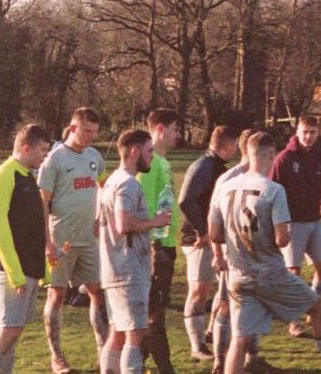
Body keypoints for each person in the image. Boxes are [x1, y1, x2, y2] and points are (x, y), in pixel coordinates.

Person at [209, 132, 321, 374]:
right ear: (272, 155)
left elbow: (215, 234)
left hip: (238, 276)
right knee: (317, 307)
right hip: (270, 273)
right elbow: (282, 239)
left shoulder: (225, 186)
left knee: (240, 338)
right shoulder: (273, 190)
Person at [0, 124, 52, 373]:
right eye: (42, 150)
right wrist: (15, 273)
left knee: (13, 332)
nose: (45, 155)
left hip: (28, 270)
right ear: (26, 148)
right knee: (7, 332)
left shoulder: (28, 175)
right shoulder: (2, 176)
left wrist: (44, 271)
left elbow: (34, 226)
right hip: (10, 272)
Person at [37, 107, 107, 373]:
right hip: (61, 240)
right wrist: (47, 242)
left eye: (95, 132)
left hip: (89, 239)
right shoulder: (54, 159)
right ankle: (57, 358)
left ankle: (105, 354)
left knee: (96, 292)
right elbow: (42, 203)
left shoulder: (94, 157)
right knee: (57, 294)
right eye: (87, 131)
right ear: (74, 127)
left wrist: (100, 218)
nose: (91, 136)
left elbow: (103, 189)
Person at [97, 129, 173, 374]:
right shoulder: (128, 184)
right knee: (135, 334)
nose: (152, 156)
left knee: (117, 333)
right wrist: (155, 222)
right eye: (149, 150)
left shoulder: (110, 181)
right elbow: (124, 225)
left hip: (113, 267)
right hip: (128, 270)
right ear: (134, 152)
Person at [178, 125, 238, 362]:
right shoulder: (203, 166)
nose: (236, 151)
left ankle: (212, 332)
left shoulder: (214, 166)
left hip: (213, 237)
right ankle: (197, 346)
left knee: (221, 289)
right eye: (234, 146)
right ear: (228, 145)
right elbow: (185, 200)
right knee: (199, 290)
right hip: (199, 239)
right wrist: (202, 231)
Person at [270, 116, 321, 338]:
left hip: (315, 220)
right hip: (292, 223)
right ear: (297, 132)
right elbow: (273, 192)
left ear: (318, 133)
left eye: (313, 132)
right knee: (293, 273)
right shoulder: (284, 158)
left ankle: (312, 307)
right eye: (305, 132)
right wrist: (280, 223)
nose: (308, 137)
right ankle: (293, 320)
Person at [208, 128, 263, 373]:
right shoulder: (228, 179)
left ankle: (253, 357)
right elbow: (214, 220)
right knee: (225, 306)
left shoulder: (264, 176)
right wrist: (218, 255)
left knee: (256, 304)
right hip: (233, 255)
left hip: (259, 257)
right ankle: (220, 361)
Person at [134, 108, 183, 371]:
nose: (179, 135)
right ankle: (164, 368)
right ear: (161, 129)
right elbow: (146, 206)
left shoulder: (162, 162)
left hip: (167, 245)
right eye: (175, 129)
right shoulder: (151, 165)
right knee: (154, 312)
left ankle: (133, 363)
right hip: (158, 247)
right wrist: (155, 246)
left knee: (154, 310)